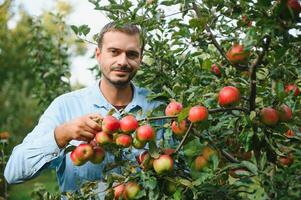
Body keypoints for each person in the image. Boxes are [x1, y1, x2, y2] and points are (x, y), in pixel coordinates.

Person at [4, 22, 162, 198]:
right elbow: (13, 173)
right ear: (98, 54)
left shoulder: (157, 107)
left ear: (140, 58)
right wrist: (61, 135)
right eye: (114, 52)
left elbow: (177, 172)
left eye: (131, 54)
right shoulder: (65, 106)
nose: (123, 61)